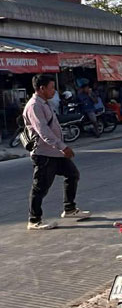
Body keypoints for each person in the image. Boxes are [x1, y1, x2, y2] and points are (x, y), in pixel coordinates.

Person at [23, 74, 91, 230]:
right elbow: (43, 131)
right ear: (42, 88)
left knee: (72, 174)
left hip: (55, 152)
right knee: (40, 187)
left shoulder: (44, 103)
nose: (54, 91)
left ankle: (70, 209)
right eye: (51, 87)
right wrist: (63, 147)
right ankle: (34, 220)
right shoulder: (34, 106)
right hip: (44, 153)